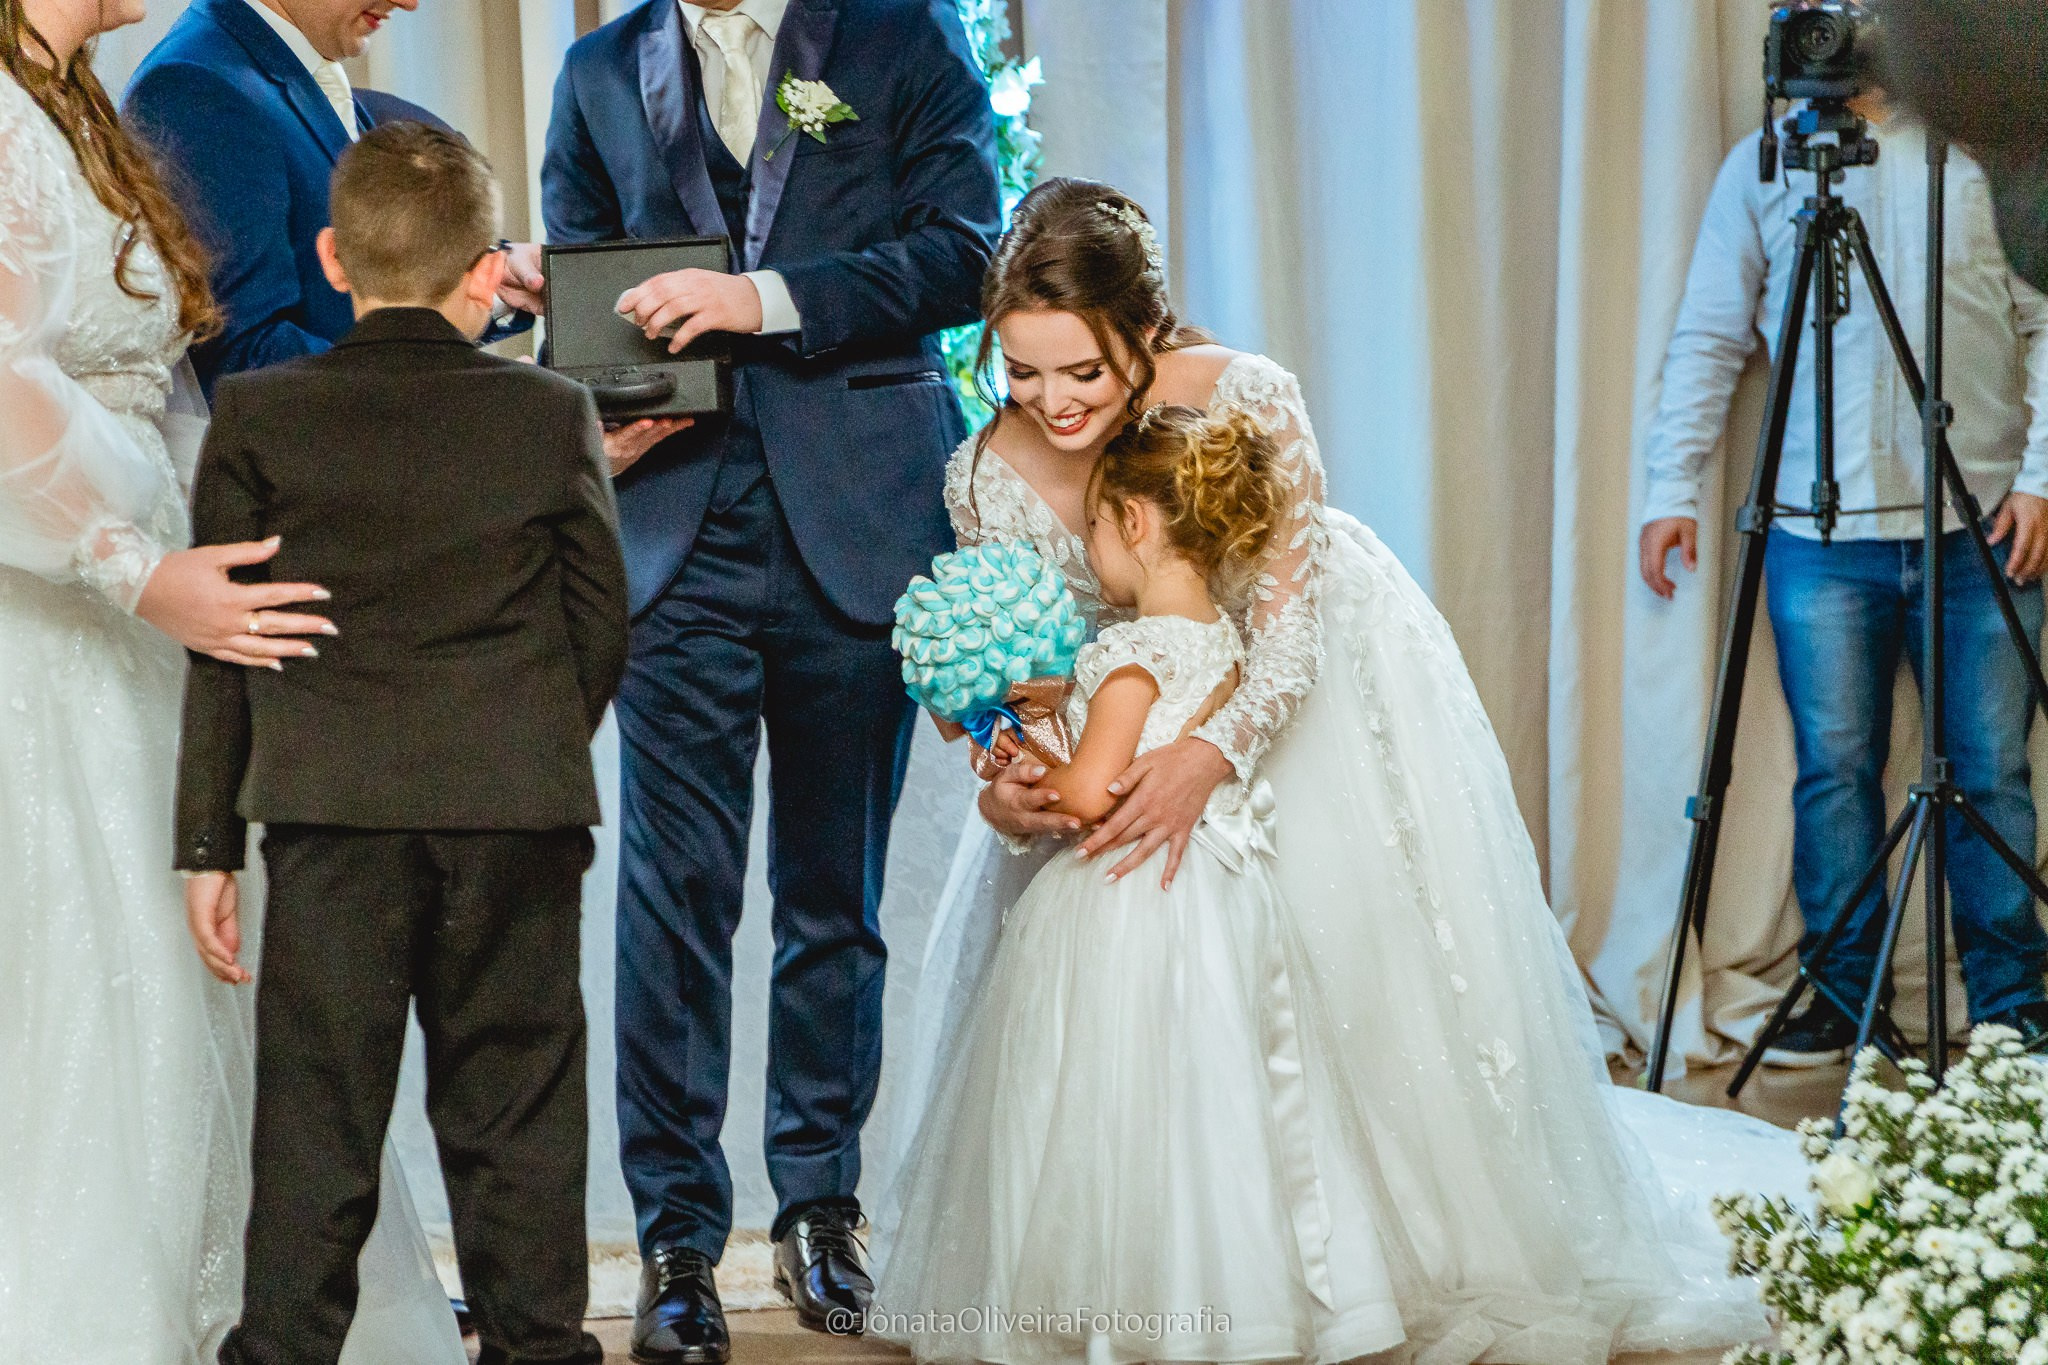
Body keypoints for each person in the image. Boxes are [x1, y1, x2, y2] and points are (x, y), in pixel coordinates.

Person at [887, 178, 1810, 1365]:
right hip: (1112, 733)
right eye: (1021, 372)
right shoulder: (982, 476)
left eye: (1084, 370)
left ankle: (1348, 1267)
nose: (1053, 403)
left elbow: (1287, 631)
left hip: (1288, 700)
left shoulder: (1239, 397)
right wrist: (1008, 779)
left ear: (1147, 330)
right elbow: (1018, 673)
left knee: (1330, 991)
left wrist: (1204, 756)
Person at [0, 3, 462, 1362]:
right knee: (95, 1002)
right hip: (55, 625)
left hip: (144, 615)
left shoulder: (78, 97)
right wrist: (133, 566)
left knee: (197, 999)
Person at [540, 1, 1000, 1357]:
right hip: (673, 537)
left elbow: (968, 251)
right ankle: (677, 1237)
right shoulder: (596, 70)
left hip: (856, 518)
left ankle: (820, 1206)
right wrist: (594, 407)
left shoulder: (902, 34)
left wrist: (765, 300)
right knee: (668, 902)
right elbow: (581, 284)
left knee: (831, 899)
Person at [176, 122, 628, 1365]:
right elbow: (599, 621)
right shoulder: (550, 410)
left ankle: (284, 1350)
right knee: (517, 1102)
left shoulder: (261, 414)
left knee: (317, 1110)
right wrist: (526, 738)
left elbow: (227, 643)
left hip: (331, 813)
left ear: (331, 256)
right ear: (490, 271)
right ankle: (536, 1344)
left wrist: (209, 839)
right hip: (516, 807)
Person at [878, 405, 1419, 1364]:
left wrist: (1031, 759)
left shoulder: (1127, 654)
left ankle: (1119, 1303)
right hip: (1218, 890)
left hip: (1126, 898)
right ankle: (1239, 1290)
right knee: (1216, 1100)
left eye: (1093, 527)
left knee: (1109, 1104)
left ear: (1134, 523)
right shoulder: (1227, 645)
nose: (1088, 551)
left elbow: (1092, 792)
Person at [1638, 97, 2048, 1062]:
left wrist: (2041, 480)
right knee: (1835, 773)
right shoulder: (1767, 167)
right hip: (1818, 535)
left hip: (1982, 519)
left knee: (1992, 769)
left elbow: (2046, 320)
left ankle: (2011, 1003)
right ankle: (1843, 995)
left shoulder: (1985, 155)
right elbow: (1710, 336)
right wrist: (1672, 487)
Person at [121, 0, 543, 396]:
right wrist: (471, 400)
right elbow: (245, 354)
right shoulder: (198, 87)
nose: (410, 2)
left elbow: (361, 305)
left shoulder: (278, 63)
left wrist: (488, 285)